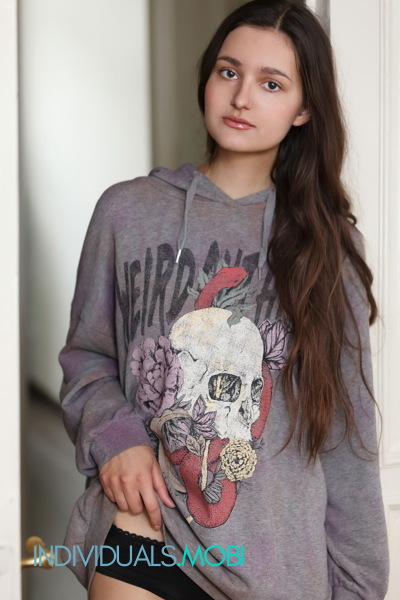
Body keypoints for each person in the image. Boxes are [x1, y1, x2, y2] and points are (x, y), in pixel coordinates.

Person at [58, 1, 390, 599]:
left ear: (304, 109)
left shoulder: (327, 249)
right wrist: (117, 438)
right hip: (149, 525)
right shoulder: (127, 212)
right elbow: (88, 359)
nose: (241, 98)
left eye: (271, 84)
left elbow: (347, 434)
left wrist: (360, 586)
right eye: (229, 72)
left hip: (276, 569)